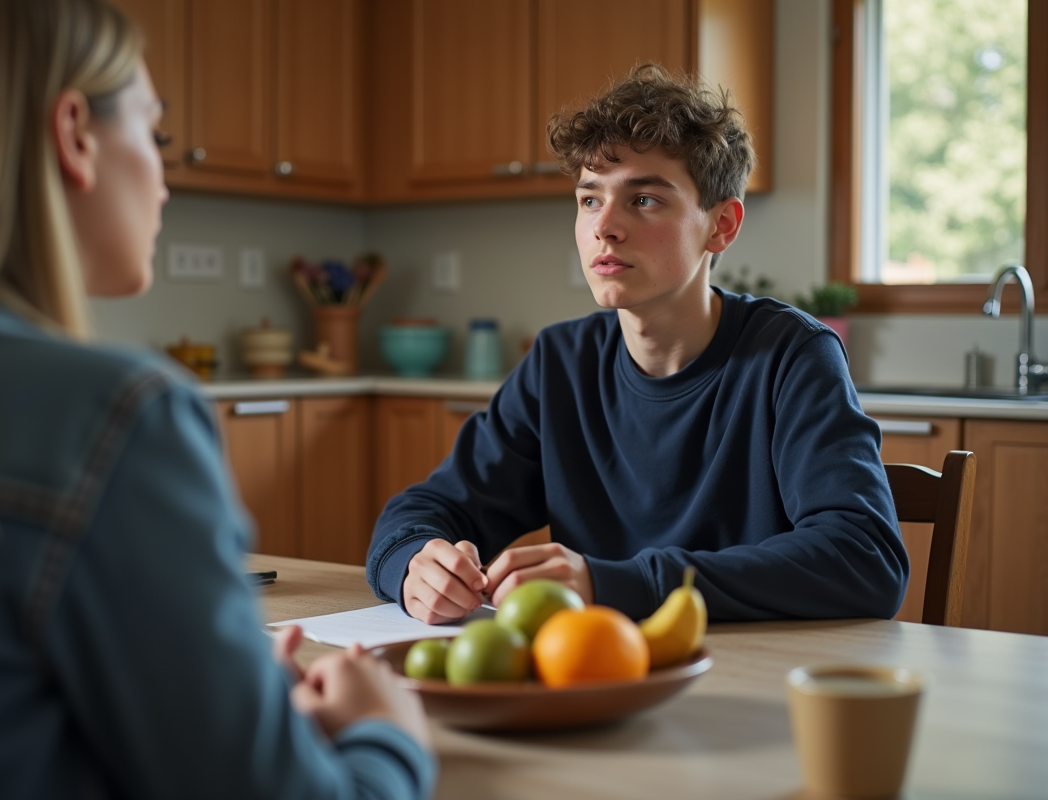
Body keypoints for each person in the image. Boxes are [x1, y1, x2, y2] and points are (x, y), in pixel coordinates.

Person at [0, 1, 434, 798]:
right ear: (73, 134)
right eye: (155, 133)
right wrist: (387, 737)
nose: (164, 179)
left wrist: (222, 704)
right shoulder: (113, 419)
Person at [367, 64, 908, 626]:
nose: (605, 226)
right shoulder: (560, 362)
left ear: (721, 226)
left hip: (754, 683)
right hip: (591, 677)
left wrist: (610, 583)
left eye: (644, 200)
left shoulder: (792, 355)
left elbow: (864, 559)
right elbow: (426, 510)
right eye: (589, 200)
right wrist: (414, 566)